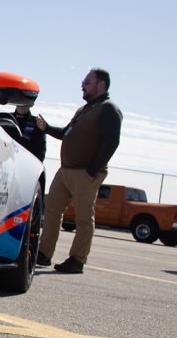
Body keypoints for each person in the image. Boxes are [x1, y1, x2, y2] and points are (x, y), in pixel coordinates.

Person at [35, 68, 122, 274]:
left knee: (83, 218)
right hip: (65, 171)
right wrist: (46, 128)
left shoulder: (109, 109)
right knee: (52, 211)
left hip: (86, 173)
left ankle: (77, 260)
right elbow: (66, 133)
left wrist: (91, 171)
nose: (82, 85)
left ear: (102, 85)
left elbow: (112, 142)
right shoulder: (84, 110)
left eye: (87, 82)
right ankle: (44, 253)